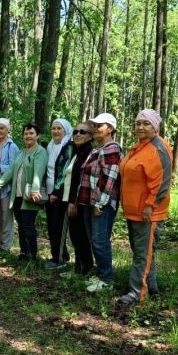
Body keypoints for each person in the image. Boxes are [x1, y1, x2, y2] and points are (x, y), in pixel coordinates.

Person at [118, 109, 172, 305]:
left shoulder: (158, 148)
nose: (140, 127)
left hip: (149, 213)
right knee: (142, 252)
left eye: (146, 123)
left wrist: (151, 205)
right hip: (134, 211)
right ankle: (152, 286)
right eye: (138, 123)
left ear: (155, 126)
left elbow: (162, 183)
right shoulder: (140, 146)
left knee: (143, 254)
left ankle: (136, 293)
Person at [77, 112, 122, 292]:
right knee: (93, 240)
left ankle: (107, 279)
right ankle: (101, 274)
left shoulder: (112, 148)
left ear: (110, 129)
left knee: (100, 241)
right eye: (94, 126)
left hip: (101, 204)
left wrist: (100, 203)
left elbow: (109, 179)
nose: (95, 129)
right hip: (90, 202)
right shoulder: (97, 149)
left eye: (99, 126)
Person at [0, 122, 48, 262]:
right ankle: (24, 253)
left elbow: (38, 172)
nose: (28, 136)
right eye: (26, 134)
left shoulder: (40, 151)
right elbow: (11, 170)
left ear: (37, 135)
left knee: (28, 225)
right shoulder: (21, 152)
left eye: (31, 133)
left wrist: (35, 190)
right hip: (17, 195)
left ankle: (33, 256)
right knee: (21, 226)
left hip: (30, 196)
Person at [64, 122, 95, 278]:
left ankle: (86, 268)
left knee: (80, 236)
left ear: (90, 136)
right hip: (73, 200)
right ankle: (78, 268)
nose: (77, 134)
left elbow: (80, 180)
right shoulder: (77, 152)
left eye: (82, 132)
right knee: (75, 236)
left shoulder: (89, 152)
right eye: (75, 131)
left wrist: (73, 201)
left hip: (80, 202)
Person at [45, 119, 74, 270]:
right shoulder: (51, 146)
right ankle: (56, 255)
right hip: (49, 193)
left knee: (58, 227)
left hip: (60, 195)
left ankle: (61, 259)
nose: (55, 131)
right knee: (51, 227)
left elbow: (65, 172)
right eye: (53, 128)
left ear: (66, 131)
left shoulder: (68, 147)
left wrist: (56, 192)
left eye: (59, 129)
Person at [0, 118, 19, 258]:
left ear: (7, 130)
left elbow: (15, 167)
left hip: (6, 187)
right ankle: (1, 245)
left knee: (6, 216)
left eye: (2, 128)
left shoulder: (12, 146)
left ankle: (6, 248)